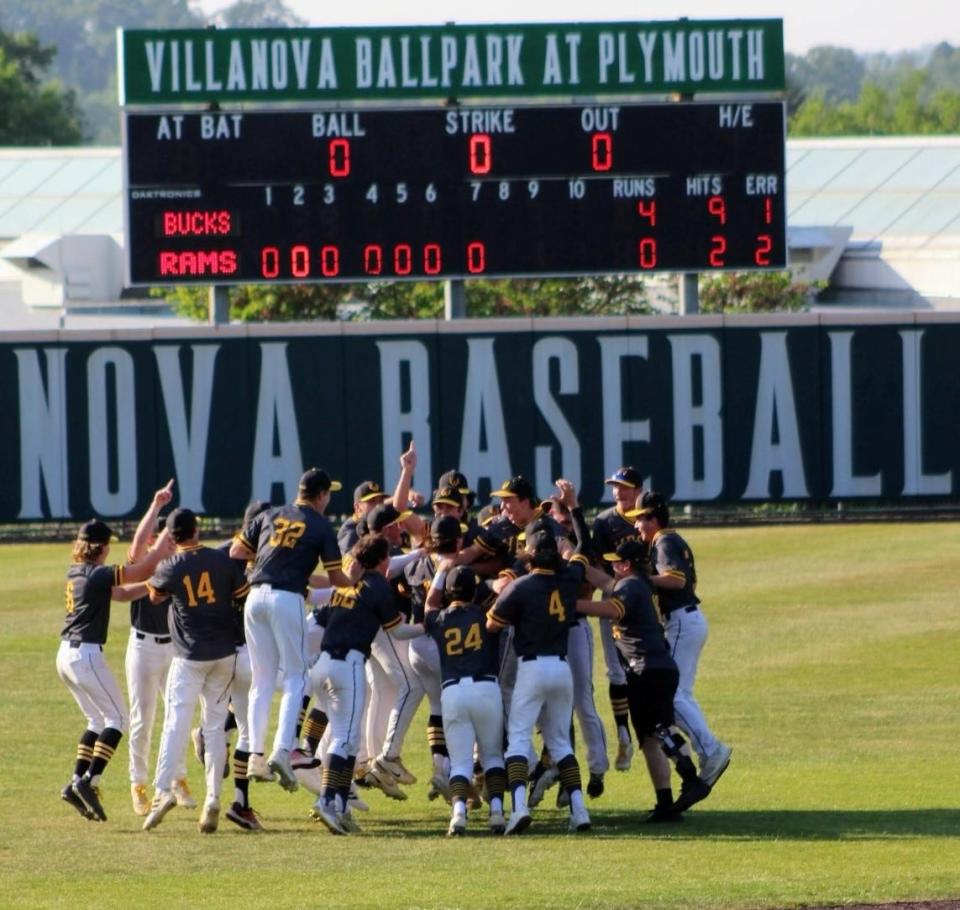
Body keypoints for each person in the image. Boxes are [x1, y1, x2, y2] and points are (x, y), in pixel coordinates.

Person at [229, 468, 349, 790]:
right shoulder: (322, 525)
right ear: (322, 495)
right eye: (328, 494)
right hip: (287, 598)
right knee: (297, 677)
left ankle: (255, 754)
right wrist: (359, 586)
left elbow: (236, 551)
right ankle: (283, 750)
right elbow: (338, 579)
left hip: (255, 597)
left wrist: (272, 555)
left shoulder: (270, 514)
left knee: (262, 680)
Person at [485, 483, 592, 835]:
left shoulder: (522, 586)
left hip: (531, 668)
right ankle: (579, 811)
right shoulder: (568, 579)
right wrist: (574, 513)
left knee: (518, 740)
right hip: (561, 668)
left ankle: (518, 809)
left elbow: (492, 622)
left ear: (530, 555)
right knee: (560, 742)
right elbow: (583, 549)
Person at [580, 538, 712, 820]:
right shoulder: (639, 583)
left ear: (626, 565)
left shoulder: (629, 586)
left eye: (616, 561)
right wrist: (574, 558)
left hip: (647, 668)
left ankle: (691, 778)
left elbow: (611, 609)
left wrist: (572, 605)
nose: (612, 565)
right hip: (654, 667)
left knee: (660, 729)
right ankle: (665, 803)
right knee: (650, 739)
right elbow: (604, 581)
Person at [141, 509, 250, 834]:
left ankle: (163, 792)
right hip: (224, 652)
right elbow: (240, 596)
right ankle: (213, 797)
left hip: (189, 655)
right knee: (215, 728)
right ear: (197, 530)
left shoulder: (170, 565)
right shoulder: (221, 560)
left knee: (176, 722)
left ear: (171, 536)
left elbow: (155, 596)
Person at [307, 533, 425, 835]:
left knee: (343, 739)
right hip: (348, 665)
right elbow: (397, 633)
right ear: (383, 559)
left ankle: (340, 806)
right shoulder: (377, 587)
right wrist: (429, 625)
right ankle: (327, 801)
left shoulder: (349, 581)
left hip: (322, 664)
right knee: (345, 740)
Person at [57, 518, 169, 822]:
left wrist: (152, 586)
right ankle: (89, 780)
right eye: (108, 545)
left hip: (65, 655)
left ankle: (75, 781)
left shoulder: (77, 572)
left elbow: (122, 594)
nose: (109, 550)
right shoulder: (98, 574)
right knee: (118, 718)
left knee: (96, 719)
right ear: (101, 547)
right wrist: (164, 543)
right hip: (85, 655)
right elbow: (142, 570)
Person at [631, 490, 732, 788]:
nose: (638, 526)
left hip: (681, 622)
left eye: (641, 519)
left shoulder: (663, 540)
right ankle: (708, 752)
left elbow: (676, 579)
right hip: (689, 619)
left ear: (655, 518)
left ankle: (711, 749)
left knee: (670, 695)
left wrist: (640, 580)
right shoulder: (669, 539)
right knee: (681, 694)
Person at [125, 480, 194, 816]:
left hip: (173, 649)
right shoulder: (147, 563)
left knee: (176, 717)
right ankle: (138, 784)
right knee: (142, 718)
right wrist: (157, 507)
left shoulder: (177, 566)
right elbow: (139, 545)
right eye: (164, 539)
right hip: (142, 648)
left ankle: (178, 779)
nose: (167, 544)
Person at [424, 564, 507, 836]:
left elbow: (429, 604)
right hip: (485, 687)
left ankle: (458, 814)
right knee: (492, 755)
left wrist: (440, 572)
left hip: (453, 691)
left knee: (460, 761)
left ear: (449, 592)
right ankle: (496, 813)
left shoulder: (440, 619)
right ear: (474, 591)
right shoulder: (486, 614)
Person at [591, 466, 646, 772]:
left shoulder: (648, 517)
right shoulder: (604, 522)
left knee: (642, 667)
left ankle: (646, 730)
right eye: (615, 487)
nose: (618, 492)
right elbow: (598, 565)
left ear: (638, 489)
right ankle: (623, 732)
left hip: (646, 602)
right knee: (615, 670)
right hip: (613, 598)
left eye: (624, 487)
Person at [337, 481, 389, 555]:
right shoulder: (350, 531)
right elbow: (352, 563)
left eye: (381, 501)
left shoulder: (379, 523)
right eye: (372, 501)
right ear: (358, 507)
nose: (378, 506)